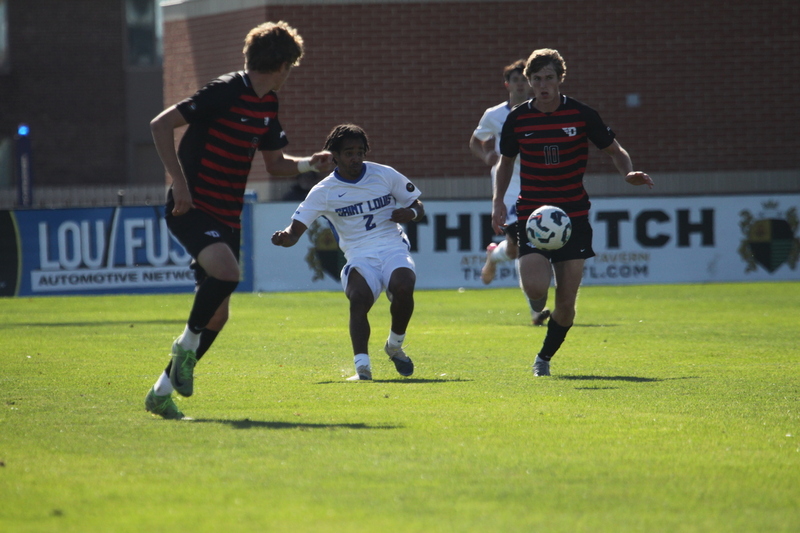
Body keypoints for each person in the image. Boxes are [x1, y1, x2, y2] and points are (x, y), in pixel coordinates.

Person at [144, 21, 334, 419]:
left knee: (219, 313)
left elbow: (275, 164)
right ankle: (185, 344)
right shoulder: (226, 90)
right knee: (228, 274)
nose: (290, 75)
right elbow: (160, 125)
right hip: (191, 207)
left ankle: (161, 392)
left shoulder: (267, 105)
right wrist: (178, 183)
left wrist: (307, 164)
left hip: (228, 214)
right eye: (291, 67)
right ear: (281, 64)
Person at [491, 48, 654, 377]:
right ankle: (537, 307)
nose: (543, 85)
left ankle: (544, 358)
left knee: (567, 303)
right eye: (537, 79)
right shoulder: (518, 119)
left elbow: (614, 150)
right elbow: (505, 162)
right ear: (529, 82)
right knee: (536, 288)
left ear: (560, 79)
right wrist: (497, 202)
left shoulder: (581, 115)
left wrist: (627, 173)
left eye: (549, 78)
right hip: (533, 215)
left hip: (573, 216)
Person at [272, 124, 423, 381]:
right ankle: (362, 367)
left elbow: (417, 204)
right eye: (349, 152)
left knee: (404, 285)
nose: (356, 158)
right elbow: (295, 231)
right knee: (358, 298)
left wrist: (411, 213)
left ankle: (394, 346)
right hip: (359, 254)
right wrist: (286, 237)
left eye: (360, 151)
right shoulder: (324, 191)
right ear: (336, 156)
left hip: (391, 246)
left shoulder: (384, 175)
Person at [470, 59, 551, 327]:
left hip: (538, 183)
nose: (519, 84)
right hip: (508, 187)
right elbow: (475, 140)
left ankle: (495, 254)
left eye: (522, 79)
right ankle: (536, 311)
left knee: (520, 249)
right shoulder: (494, 115)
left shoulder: (541, 110)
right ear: (507, 84)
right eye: (514, 79)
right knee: (525, 245)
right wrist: (487, 156)